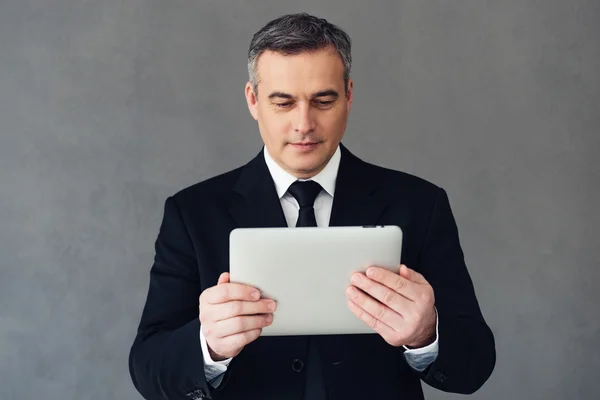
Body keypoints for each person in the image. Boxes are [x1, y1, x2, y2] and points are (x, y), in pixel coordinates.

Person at [128, 13, 496, 400]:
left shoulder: (420, 204)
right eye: (283, 103)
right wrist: (208, 345)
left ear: (349, 96)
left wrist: (426, 333)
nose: (304, 124)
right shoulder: (192, 213)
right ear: (253, 100)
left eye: (323, 100)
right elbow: (148, 367)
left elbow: (474, 367)